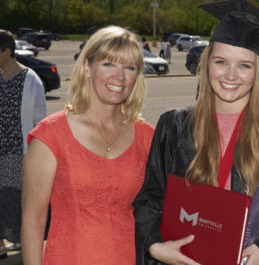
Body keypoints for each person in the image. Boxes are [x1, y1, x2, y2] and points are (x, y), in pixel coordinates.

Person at [133, 0, 259, 265]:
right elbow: (150, 198)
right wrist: (155, 246)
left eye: (244, 65)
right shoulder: (173, 127)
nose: (231, 75)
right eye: (221, 62)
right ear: (207, 63)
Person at [22, 26, 155, 265]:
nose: (120, 76)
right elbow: (34, 221)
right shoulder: (51, 135)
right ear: (87, 68)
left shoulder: (147, 137)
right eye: (108, 64)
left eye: (130, 67)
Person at [0, 29, 46, 258]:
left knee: (14, 199)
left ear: (6, 51)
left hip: (18, 153)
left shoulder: (31, 81)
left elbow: (40, 123)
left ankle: (18, 242)